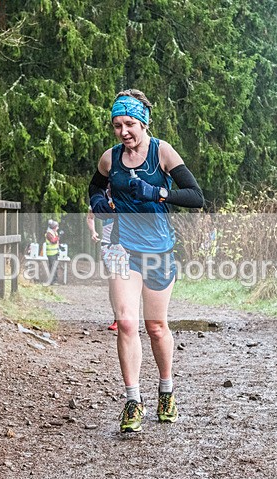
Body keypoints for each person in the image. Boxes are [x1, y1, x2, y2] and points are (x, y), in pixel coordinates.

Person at [89, 89, 203, 433]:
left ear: (143, 122)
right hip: (123, 249)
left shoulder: (161, 152)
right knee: (125, 323)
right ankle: (132, 400)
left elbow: (196, 197)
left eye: (130, 124)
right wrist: (98, 203)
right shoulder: (110, 159)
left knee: (155, 327)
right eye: (117, 125)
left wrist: (157, 192)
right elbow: (95, 188)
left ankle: (166, 391)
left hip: (158, 250)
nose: (124, 132)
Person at [87, 207, 118, 331]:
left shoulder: (128, 192)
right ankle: (118, 318)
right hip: (108, 246)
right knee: (114, 283)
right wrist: (93, 232)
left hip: (128, 245)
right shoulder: (100, 197)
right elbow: (90, 216)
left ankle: (128, 315)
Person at [44, 219, 60, 285]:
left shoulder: (54, 233)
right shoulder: (49, 234)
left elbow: (56, 242)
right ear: (54, 227)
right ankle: (53, 281)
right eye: (57, 227)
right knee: (53, 267)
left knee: (55, 267)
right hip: (51, 253)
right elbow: (53, 241)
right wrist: (58, 238)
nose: (58, 228)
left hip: (55, 253)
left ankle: (54, 280)